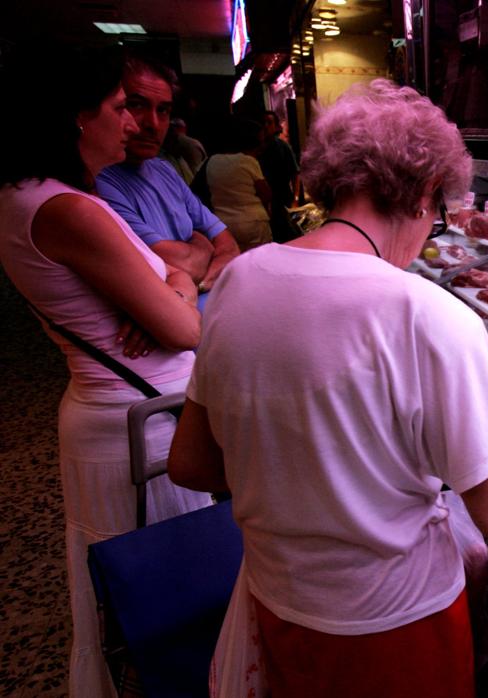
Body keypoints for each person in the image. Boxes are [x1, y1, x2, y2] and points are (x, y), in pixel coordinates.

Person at [168, 79, 488, 697]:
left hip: (279, 604)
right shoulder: (428, 314)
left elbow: (192, 462)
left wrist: (301, 468)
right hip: (399, 628)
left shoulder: (239, 282)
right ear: (421, 195)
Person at [0, 45, 212, 697]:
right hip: (141, 429)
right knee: (171, 594)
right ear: (76, 118)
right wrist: (177, 287)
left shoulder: (28, 196)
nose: (132, 124)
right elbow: (186, 327)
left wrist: (172, 278)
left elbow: (179, 274)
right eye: (120, 108)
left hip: (115, 415)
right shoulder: (71, 210)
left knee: (135, 593)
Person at [96, 55, 239, 303]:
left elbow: (228, 243)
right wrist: (203, 244)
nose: (152, 124)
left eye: (163, 110)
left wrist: (198, 252)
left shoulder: (164, 169)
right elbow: (172, 263)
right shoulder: (98, 181)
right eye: (136, 105)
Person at [204, 118, 272, 252]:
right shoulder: (247, 161)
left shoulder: (212, 161)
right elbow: (266, 193)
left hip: (223, 224)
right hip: (252, 222)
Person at [258, 110, 301, 243]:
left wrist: (296, 199)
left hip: (283, 199)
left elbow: (295, 174)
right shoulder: (256, 149)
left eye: (269, 123)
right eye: (263, 123)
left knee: (288, 236)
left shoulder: (283, 147)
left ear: (276, 126)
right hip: (262, 202)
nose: (266, 126)